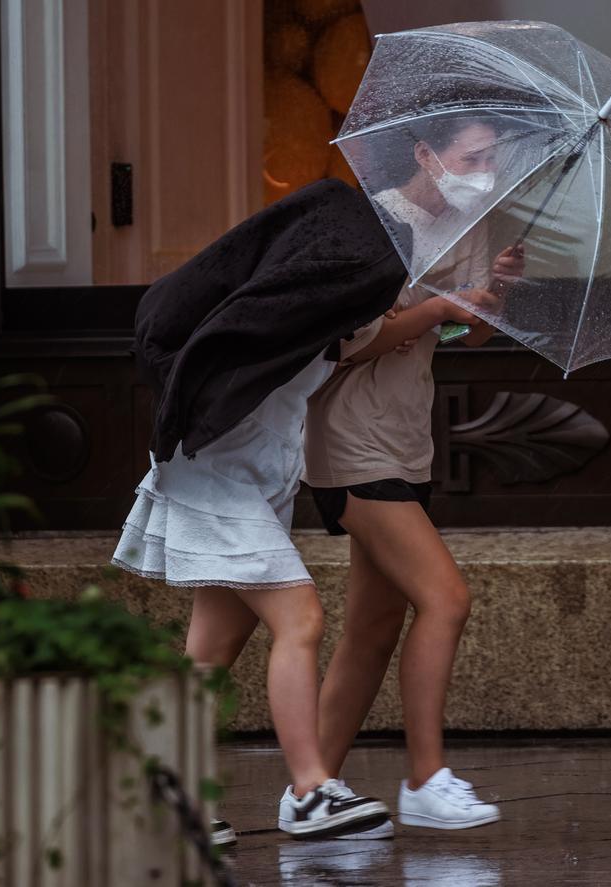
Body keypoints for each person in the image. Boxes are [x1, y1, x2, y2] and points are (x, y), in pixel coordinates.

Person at [112, 179, 410, 841]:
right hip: (217, 471)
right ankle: (310, 788)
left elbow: (343, 346)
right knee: (301, 616)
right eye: (470, 156)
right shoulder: (304, 286)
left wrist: (445, 304)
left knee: (212, 645)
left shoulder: (323, 303)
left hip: (256, 473)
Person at [304, 115, 525, 831]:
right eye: (472, 155)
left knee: (372, 626)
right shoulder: (373, 225)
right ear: (427, 154)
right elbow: (345, 342)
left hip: (406, 440)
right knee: (446, 597)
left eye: (492, 156)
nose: (484, 169)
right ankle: (425, 777)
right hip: (348, 438)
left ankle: (312, 790)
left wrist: (493, 291)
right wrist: (434, 305)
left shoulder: (473, 225)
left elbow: (470, 331)